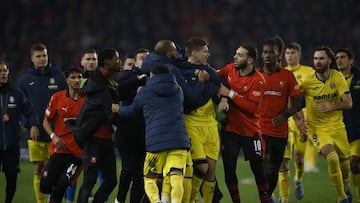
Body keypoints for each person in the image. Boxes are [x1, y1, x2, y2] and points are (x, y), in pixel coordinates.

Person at [141, 40, 216, 203]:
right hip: (178, 131)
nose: (178, 54)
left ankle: (161, 200)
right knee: (181, 172)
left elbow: (132, 109)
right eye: (175, 51)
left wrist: (119, 110)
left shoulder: (149, 65)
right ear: (169, 54)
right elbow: (191, 99)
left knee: (154, 176)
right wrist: (203, 85)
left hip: (152, 134)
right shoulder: (174, 81)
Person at [112, 63, 191, 203]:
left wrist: (118, 109)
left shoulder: (146, 91)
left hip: (156, 142)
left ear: (152, 76)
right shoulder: (178, 89)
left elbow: (131, 112)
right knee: (176, 176)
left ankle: (156, 201)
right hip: (179, 141)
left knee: (149, 178)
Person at [217, 44, 270, 203]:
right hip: (230, 130)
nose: (235, 57)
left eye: (240, 55)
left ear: (250, 60)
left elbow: (251, 108)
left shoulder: (258, 81)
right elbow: (215, 78)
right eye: (236, 54)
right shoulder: (229, 69)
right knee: (229, 171)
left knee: (259, 170)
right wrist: (224, 97)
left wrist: (230, 94)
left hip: (251, 132)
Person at [300, 46, 352, 203]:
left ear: (329, 60)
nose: (318, 61)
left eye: (321, 58)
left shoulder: (337, 77)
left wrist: (332, 107)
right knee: (332, 158)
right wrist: (300, 123)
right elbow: (293, 102)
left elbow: (349, 103)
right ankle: (341, 196)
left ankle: (346, 188)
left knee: (345, 166)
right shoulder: (308, 81)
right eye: (315, 58)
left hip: (337, 127)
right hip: (317, 129)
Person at [257, 37, 306, 203]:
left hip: (280, 131)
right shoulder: (256, 75)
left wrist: (286, 115)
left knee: (275, 168)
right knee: (264, 160)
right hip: (260, 129)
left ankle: (267, 197)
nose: (267, 55)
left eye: (271, 52)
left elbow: (298, 100)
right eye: (264, 52)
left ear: (279, 56)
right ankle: (266, 196)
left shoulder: (287, 76)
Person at [16, 43, 67, 203]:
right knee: (38, 167)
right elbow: (19, 107)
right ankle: (40, 202)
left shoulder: (59, 77)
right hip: (36, 131)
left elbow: (66, 101)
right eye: (38, 56)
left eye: (44, 55)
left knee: (54, 169)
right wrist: (29, 124)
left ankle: (53, 200)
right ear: (32, 58)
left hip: (57, 132)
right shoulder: (24, 80)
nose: (42, 59)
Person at [70, 48, 121, 203]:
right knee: (89, 181)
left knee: (111, 181)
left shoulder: (109, 83)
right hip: (93, 140)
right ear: (107, 62)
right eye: (116, 59)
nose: (119, 62)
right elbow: (110, 114)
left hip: (106, 140)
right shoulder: (100, 86)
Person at [179, 38, 223, 203]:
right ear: (194, 53)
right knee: (201, 167)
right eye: (205, 51)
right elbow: (190, 101)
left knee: (211, 171)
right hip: (192, 125)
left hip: (211, 125)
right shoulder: (181, 71)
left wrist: (224, 98)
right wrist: (210, 89)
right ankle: (190, 200)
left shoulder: (209, 70)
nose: (208, 54)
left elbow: (221, 84)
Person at [277, 42, 315, 203]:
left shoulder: (309, 72)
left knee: (299, 159)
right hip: (285, 120)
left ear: (299, 54)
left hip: (302, 120)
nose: (290, 55)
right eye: (287, 53)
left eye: (293, 53)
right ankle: (283, 198)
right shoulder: (281, 72)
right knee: (283, 161)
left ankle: (298, 180)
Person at [40, 67, 85, 203]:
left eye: (79, 77)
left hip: (77, 154)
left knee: (63, 184)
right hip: (59, 149)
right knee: (45, 185)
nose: (77, 80)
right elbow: (46, 121)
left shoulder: (87, 100)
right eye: (73, 77)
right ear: (67, 80)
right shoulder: (57, 97)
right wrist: (53, 136)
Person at [65, 49, 102, 203]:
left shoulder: (104, 79)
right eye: (88, 59)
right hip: (78, 133)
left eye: (94, 59)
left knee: (100, 171)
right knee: (73, 171)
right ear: (82, 61)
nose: (91, 62)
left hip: (97, 133)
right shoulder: (76, 80)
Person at [0, 62, 37, 203]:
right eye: (0, 71)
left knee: (12, 181)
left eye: (5, 71)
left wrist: (33, 124)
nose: (3, 73)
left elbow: (30, 111)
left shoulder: (16, 94)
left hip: (12, 147)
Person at [114, 51, 147, 203]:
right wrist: (138, 81)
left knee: (140, 174)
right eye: (142, 58)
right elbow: (118, 90)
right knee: (127, 170)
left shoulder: (154, 77)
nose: (146, 60)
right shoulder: (128, 76)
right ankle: (120, 200)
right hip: (127, 132)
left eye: (148, 57)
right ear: (135, 62)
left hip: (145, 134)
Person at [336, 48, 360, 203]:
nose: (339, 60)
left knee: (354, 161)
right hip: (338, 128)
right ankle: (346, 191)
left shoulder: (359, 78)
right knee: (342, 165)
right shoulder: (332, 79)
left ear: (351, 60)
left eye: (343, 57)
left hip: (357, 128)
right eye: (337, 57)